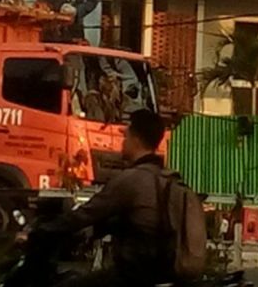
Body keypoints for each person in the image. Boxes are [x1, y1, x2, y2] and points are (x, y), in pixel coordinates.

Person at [31, 109, 173, 287]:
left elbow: (86, 214)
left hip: (134, 275)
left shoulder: (131, 180)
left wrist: (43, 230)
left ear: (136, 140)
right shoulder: (169, 180)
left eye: (126, 137)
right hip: (162, 271)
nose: (123, 142)